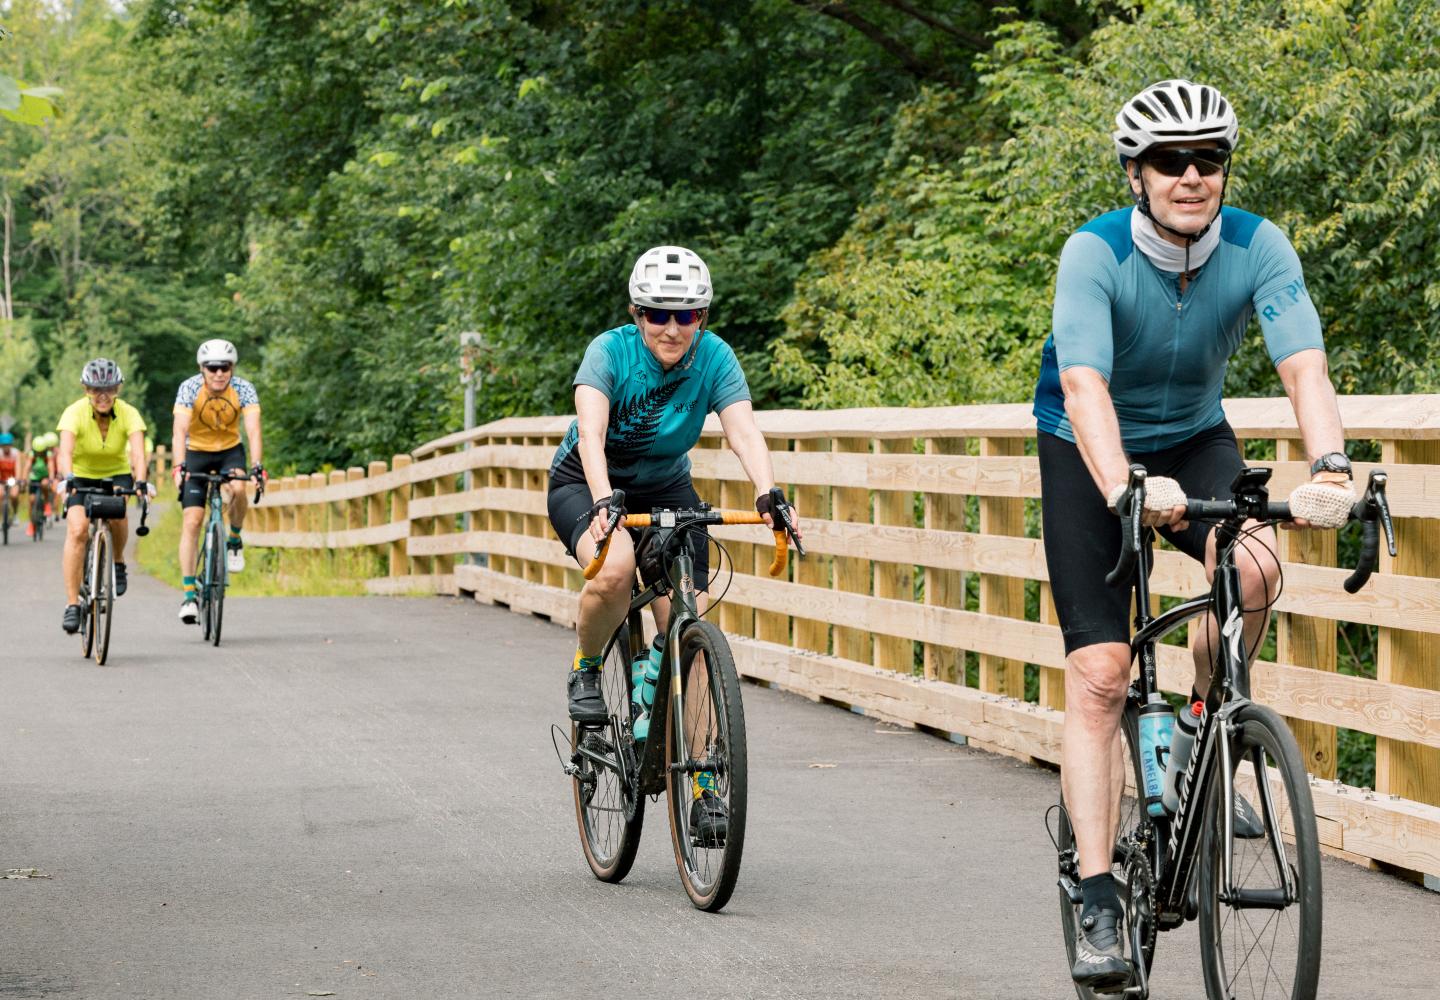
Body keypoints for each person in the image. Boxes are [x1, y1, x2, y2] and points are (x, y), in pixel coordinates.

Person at [1032, 80, 1354, 989]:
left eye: (1208, 160)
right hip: (1085, 445)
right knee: (1099, 676)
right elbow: (1086, 386)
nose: (1191, 177)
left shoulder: (1259, 245)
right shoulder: (1093, 253)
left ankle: (1205, 729)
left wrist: (1329, 466)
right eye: (1170, 162)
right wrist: (1129, 484)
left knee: (1255, 566)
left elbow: (1303, 363)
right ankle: (1097, 894)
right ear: (1136, 173)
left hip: (1196, 435)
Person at [546, 245, 801, 842]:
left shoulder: (714, 359)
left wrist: (768, 492)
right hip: (587, 481)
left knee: (686, 625)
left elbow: (743, 429)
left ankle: (705, 788)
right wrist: (606, 499)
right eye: (658, 314)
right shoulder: (609, 352)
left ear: (702, 320)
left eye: (686, 316)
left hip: (665, 487)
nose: (671, 328)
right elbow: (592, 431)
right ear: (637, 314)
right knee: (615, 570)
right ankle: (586, 669)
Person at [171, 338, 265, 624]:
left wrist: (258, 466)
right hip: (196, 451)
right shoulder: (189, 388)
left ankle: (234, 539)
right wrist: (178, 467)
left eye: (224, 367)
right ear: (202, 369)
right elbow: (179, 431)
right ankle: (189, 596)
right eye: (212, 368)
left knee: (238, 487)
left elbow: (253, 430)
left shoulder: (244, 389)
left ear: (232, 368)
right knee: (192, 520)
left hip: (229, 451)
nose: (219, 373)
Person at [55, 359, 150, 632]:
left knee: (117, 512)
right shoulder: (74, 413)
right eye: (96, 389)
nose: (103, 395)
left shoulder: (130, 413)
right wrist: (68, 478)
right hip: (81, 475)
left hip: (116, 473)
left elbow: (139, 453)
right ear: (86, 389)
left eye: (108, 388)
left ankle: (118, 561)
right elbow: (66, 452)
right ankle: (72, 604)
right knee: (77, 530)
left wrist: (141, 480)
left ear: (118, 388)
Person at [21, 431, 59, 533]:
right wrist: (24, 479)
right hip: (34, 477)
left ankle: (46, 504)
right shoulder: (31, 454)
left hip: (44, 477)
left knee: (45, 484)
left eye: (41, 452)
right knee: (32, 501)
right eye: (38, 452)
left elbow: (51, 468)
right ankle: (31, 523)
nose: (39, 454)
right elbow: (27, 467)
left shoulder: (48, 454)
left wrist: (51, 478)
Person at [0, 432, 20, 523]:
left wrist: (18, 480)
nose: (6, 447)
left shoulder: (16, 453)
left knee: (14, 495)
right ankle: (2, 517)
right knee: (0, 494)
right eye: (3, 445)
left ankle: (15, 514)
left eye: (7, 445)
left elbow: (18, 467)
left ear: (11, 445)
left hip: (13, 479)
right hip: (2, 479)